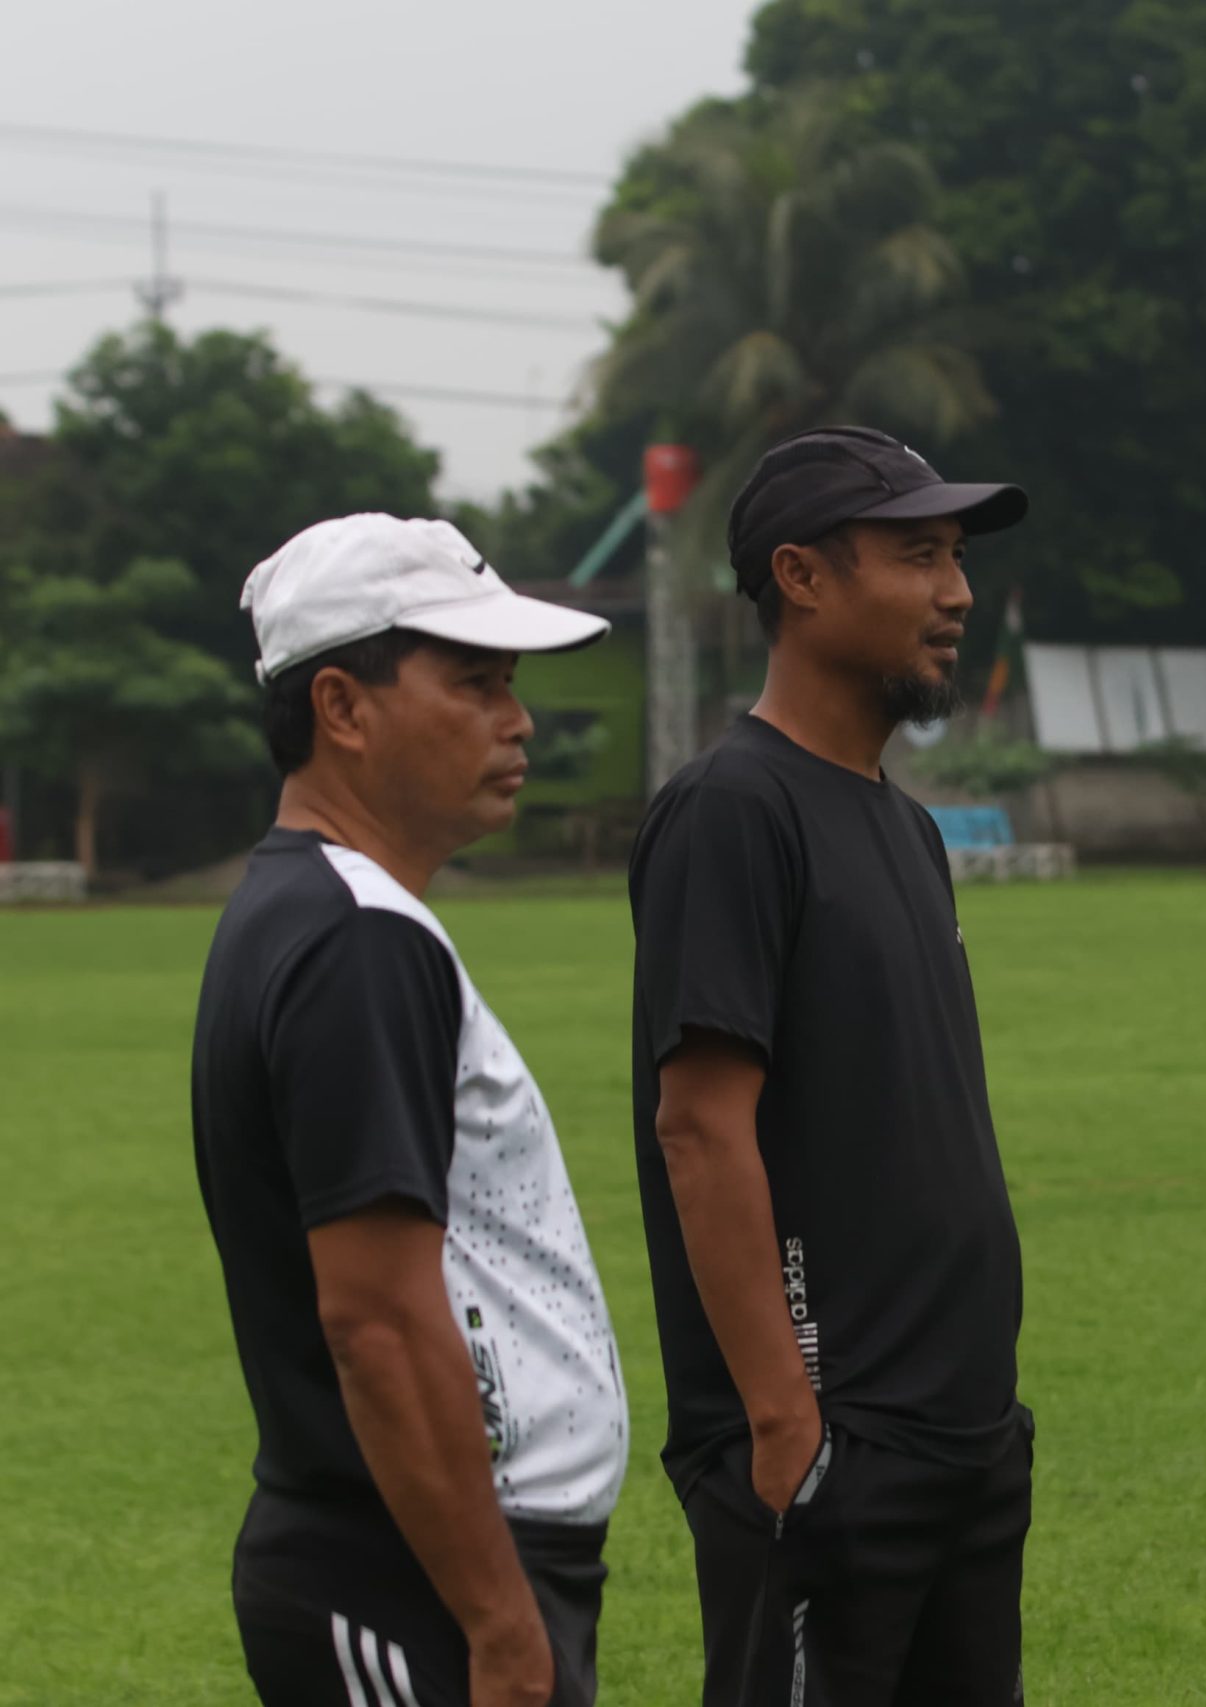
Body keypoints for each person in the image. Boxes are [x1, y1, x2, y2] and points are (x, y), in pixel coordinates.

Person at [628, 425, 1035, 1706]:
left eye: (958, 557)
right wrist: (786, 1424)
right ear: (800, 578)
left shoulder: (905, 828)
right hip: (833, 1447)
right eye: (919, 556)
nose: (956, 593)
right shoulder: (732, 810)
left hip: (962, 1439)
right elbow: (699, 1127)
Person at [193, 514, 629, 1707]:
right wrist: (497, 1623)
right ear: (342, 706)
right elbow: (376, 1320)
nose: (518, 719)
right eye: (476, 681)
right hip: (406, 1580)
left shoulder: (318, 912)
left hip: (417, 1567)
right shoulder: (357, 943)